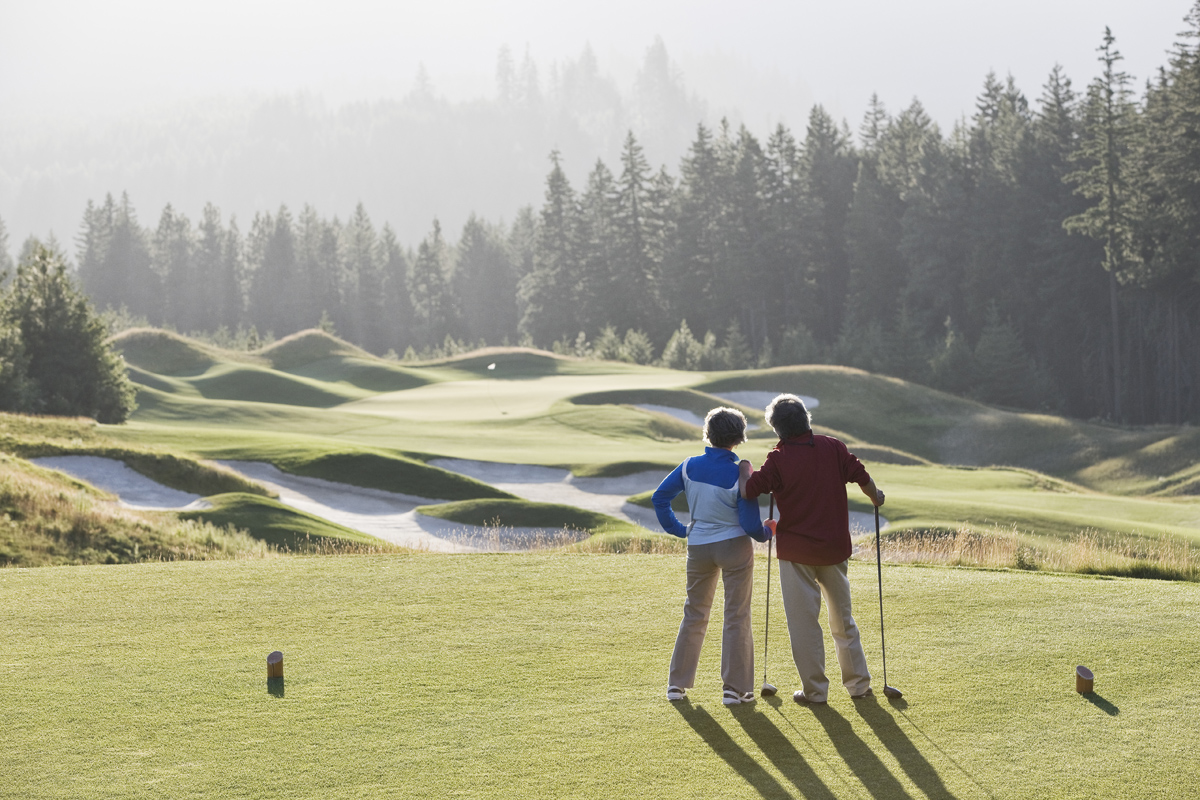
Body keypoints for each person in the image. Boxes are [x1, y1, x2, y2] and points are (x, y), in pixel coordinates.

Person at [738, 393, 884, 704]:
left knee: (804, 624)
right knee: (842, 620)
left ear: (778, 429)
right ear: (806, 420)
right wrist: (876, 497)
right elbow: (862, 477)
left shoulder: (778, 459)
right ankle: (859, 686)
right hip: (834, 549)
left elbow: (750, 489)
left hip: (796, 554)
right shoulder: (832, 447)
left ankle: (815, 691)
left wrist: (743, 469)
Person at [654, 406, 772, 706]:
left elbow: (660, 498)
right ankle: (735, 690)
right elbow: (750, 526)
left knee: (694, 612)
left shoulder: (688, 465)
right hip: (734, 546)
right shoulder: (739, 473)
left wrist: (680, 530)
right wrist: (768, 531)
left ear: (709, 433)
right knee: (736, 615)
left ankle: (676, 685)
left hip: (699, 547)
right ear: (738, 438)